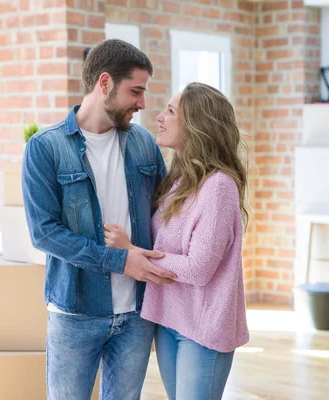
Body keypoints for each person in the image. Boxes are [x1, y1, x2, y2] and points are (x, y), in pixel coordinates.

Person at [22, 39, 176, 400]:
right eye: (135, 91)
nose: (142, 103)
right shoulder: (46, 148)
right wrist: (119, 259)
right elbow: (44, 233)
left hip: (137, 313)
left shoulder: (143, 144)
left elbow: (167, 215)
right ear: (104, 83)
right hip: (75, 311)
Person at [104, 82, 250, 400]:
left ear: (198, 125)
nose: (159, 117)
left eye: (170, 111)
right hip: (170, 320)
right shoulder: (179, 179)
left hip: (204, 328)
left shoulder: (219, 186)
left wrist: (131, 251)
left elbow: (198, 269)